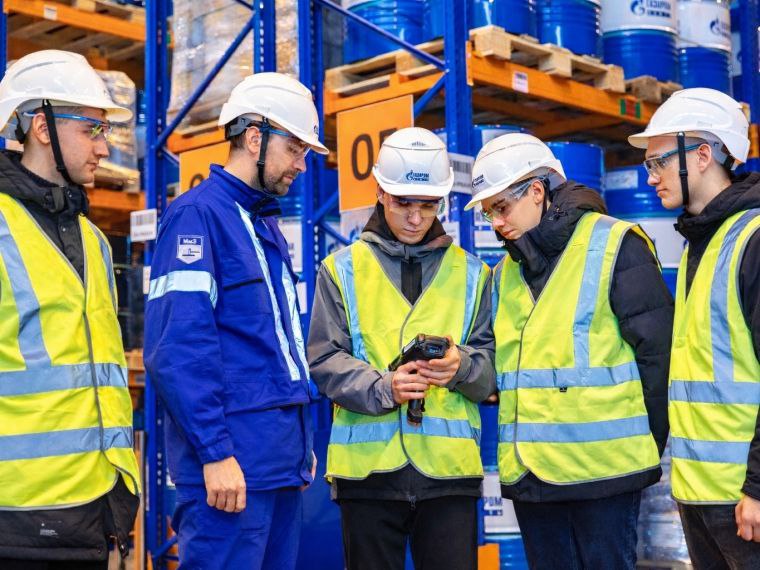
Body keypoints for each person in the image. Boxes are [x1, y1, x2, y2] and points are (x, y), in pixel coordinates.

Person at [144, 72, 327, 569]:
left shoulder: (263, 223)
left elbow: (276, 348)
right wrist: (214, 452)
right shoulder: (196, 217)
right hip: (231, 472)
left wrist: (300, 447)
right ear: (253, 138)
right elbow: (178, 349)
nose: (301, 165)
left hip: (277, 465)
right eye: (294, 149)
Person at [467, 133, 672, 569]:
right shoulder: (503, 274)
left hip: (604, 475)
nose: (496, 223)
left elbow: (659, 357)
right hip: (533, 476)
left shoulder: (615, 244)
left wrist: (644, 447)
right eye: (488, 213)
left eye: (501, 207)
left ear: (536, 191)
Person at [308, 127, 495, 570]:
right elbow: (323, 359)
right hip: (368, 476)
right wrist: (383, 387)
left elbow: (492, 371)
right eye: (403, 203)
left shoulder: (475, 275)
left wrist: (462, 367)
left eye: (428, 205)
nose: (415, 218)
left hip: (449, 477)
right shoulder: (340, 270)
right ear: (380, 193)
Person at [0, 50, 141, 569]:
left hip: (93, 507)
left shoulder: (93, 240)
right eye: (92, 130)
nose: (105, 147)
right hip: (17, 514)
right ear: (42, 127)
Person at [628, 87, 760, 567]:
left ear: (702, 156)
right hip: (699, 493)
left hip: (743, 498)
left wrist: (758, 487)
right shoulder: (700, 242)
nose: (651, 177)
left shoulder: (752, 240)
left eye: (659, 162)